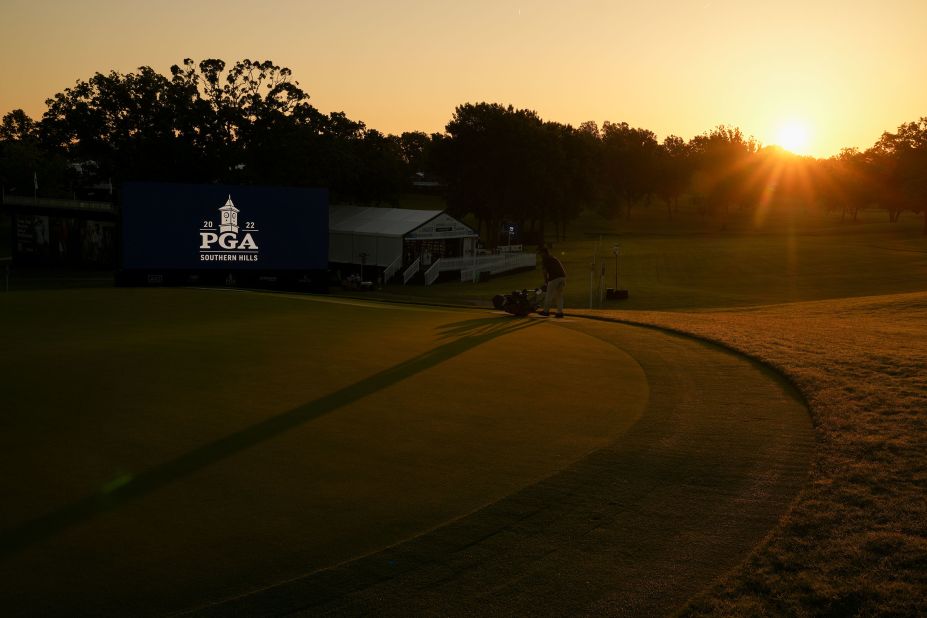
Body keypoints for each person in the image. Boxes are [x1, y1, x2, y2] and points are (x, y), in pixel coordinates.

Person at [538, 246, 566, 318]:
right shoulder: (554, 258)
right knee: (559, 296)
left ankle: (546, 311)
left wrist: (546, 281)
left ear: (544, 253)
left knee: (549, 295)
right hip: (562, 277)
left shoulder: (545, 259)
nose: (540, 255)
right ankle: (560, 312)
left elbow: (544, 271)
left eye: (540, 253)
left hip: (554, 278)